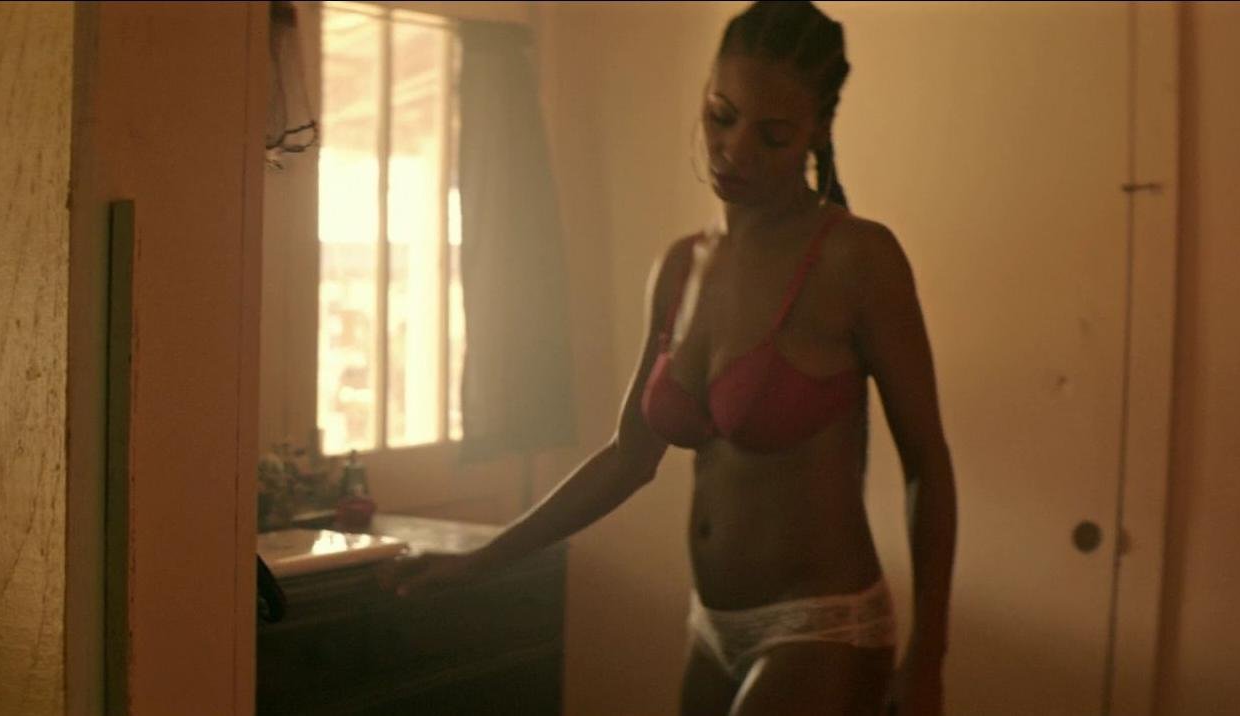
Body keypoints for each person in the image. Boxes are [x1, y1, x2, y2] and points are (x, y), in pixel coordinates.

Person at [389, 2, 956, 714]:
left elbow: (927, 465)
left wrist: (928, 655)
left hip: (822, 626)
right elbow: (629, 456)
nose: (736, 150)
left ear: (816, 131)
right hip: (710, 627)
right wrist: (483, 560)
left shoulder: (856, 257)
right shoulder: (682, 266)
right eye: (722, 117)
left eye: (773, 135)